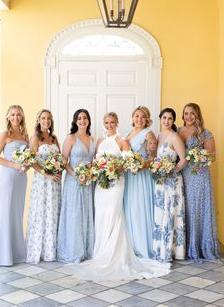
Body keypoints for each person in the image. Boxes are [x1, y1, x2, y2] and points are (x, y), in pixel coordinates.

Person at [65, 112, 170, 281]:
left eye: (112, 122)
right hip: (100, 184)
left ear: (118, 122)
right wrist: (97, 171)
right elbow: (94, 162)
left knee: (114, 214)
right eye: (106, 122)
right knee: (101, 213)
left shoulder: (123, 141)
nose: (109, 125)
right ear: (103, 123)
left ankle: (114, 253)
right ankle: (100, 252)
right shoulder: (99, 141)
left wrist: (113, 169)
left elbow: (128, 163)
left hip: (116, 183)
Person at [178, 103, 219, 261]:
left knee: (197, 208)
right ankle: (184, 246)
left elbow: (212, 156)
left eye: (192, 113)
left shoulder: (205, 133)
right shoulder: (178, 131)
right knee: (185, 208)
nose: (189, 116)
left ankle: (200, 247)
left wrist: (199, 155)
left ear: (197, 116)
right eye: (186, 113)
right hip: (183, 175)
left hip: (199, 175)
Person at [0, 105, 28, 266]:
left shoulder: (25, 135)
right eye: (12, 114)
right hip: (8, 176)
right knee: (6, 212)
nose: (15, 117)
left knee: (16, 213)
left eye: (18, 114)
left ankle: (16, 253)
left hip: (21, 178)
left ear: (22, 117)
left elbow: (29, 156)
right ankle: (3, 255)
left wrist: (26, 163)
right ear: (8, 117)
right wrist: (14, 165)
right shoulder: (5, 134)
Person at [57, 109, 95, 263]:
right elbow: (64, 161)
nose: (82, 121)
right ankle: (73, 251)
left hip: (88, 183)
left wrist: (89, 175)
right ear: (75, 121)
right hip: (73, 182)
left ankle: (86, 249)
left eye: (85, 118)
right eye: (79, 118)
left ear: (88, 121)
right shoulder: (71, 138)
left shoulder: (92, 139)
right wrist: (76, 175)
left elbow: (93, 162)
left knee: (86, 213)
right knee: (74, 214)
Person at [26, 109, 61, 264]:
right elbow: (32, 161)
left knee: (53, 212)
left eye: (48, 118)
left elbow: (60, 157)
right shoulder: (35, 138)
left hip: (55, 181)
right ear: (39, 120)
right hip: (42, 181)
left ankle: (52, 250)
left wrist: (58, 170)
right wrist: (46, 174)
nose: (46, 121)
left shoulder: (54, 138)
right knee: (42, 212)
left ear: (51, 121)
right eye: (43, 118)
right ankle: (40, 251)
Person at [153, 108, 186, 262]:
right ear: (160, 119)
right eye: (164, 118)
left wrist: (171, 171)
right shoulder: (159, 135)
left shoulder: (174, 137)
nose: (166, 121)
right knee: (161, 213)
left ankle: (171, 251)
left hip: (172, 181)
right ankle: (160, 249)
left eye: (170, 118)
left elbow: (184, 159)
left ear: (173, 121)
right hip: (160, 182)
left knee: (171, 212)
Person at [124, 106, 156, 258]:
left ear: (147, 119)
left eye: (143, 117)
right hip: (129, 177)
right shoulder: (129, 133)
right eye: (136, 116)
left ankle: (143, 246)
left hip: (141, 177)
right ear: (132, 117)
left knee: (140, 209)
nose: (139, 119)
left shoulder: (148, 134)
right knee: (129, 209)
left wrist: (141, 165)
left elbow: (152, 156)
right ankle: (132, 245)